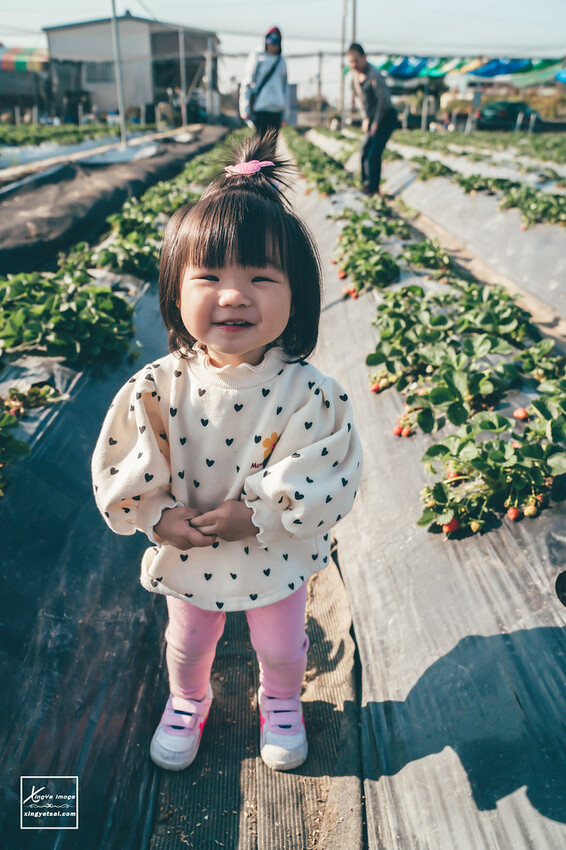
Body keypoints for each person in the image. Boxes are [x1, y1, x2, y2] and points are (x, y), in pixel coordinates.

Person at [91, 131, 363, 774]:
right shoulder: (157, 387)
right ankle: (188, 700)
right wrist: (158, 516)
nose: (234, 295)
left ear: (297, 294)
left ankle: (281, 699)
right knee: (188, 641)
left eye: (261, 278)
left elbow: (329, 471)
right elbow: (125, 462)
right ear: (175, 291)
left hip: (274, 550)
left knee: (280, 643)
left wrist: (262, 513)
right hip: (192, 550)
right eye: (208, 276)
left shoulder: (308, 393)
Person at [347, 42, 398, 196]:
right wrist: (366, 119)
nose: (353, 64)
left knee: (374, 153)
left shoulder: (374, 75)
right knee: (364, 152)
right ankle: (366, 186)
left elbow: (383, 101)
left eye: (356, 60)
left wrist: (375, 122)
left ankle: (374, 189)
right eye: (350, 61)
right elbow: (362, 102)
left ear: (364, 57)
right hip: (372, 119)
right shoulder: (356, 77)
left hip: (386, 117)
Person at [240, 26, 288, 138]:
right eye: (270, 41)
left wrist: (286, 114)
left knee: (271, 147)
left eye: (276, 42)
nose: (273, 45)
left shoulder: (281, 61)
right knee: (260, 147)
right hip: (261, 108)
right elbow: (247, 83)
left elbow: (285, 88)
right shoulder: (258, 57)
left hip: (276, 110)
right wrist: (245, 108)